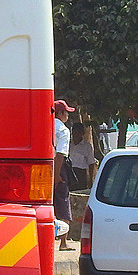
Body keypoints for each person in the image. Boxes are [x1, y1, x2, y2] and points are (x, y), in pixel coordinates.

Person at [52, 99, 74, 250]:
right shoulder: (63, 130)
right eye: (66, 112)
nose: (67, 115)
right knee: (63, 202)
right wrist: (57, 175)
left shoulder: (45, 125)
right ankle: (63, 242)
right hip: (58, 169)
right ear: (60, 113)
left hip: (43, 168)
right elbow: (60, 154)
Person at [68, 122, 97, 190]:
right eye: (74, 132)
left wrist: (90, 179)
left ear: (82, 133)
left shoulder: (87, 146)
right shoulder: (68, 144)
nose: (76, 135)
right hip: (69, 173)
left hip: (80, 174)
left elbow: (91, 163)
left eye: (78, 133)